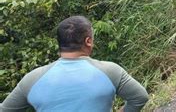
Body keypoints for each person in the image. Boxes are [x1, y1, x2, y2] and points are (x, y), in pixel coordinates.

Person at [0, 16, 149, 111]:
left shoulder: (32, 79)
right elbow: (140, 97)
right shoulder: (110, 71)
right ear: (88, 41)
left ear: (59, 43)